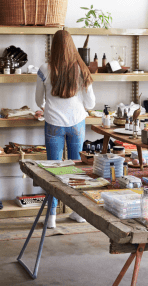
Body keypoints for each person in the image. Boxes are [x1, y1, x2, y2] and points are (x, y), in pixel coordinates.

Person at [34, 30, 95, 228]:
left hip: (53, 124)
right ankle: (78, 213)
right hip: (77, 123)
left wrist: (49, 107)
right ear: (71, 46)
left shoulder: (44, 68)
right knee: (76, 169)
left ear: (54, 47)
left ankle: (51, 216)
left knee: (53, 170)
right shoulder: (81, 68)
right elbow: (92, 103)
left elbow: (38, 101)